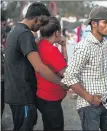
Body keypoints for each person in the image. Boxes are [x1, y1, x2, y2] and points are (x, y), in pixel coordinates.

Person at [4, 2, 66, 131]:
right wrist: (61, 82)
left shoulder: (17, 30)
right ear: (37, 19)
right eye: (42, 23)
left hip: (15, 92)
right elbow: (40, 67)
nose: (41, 28)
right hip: (22, 96)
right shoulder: (25, 35)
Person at [62, 6, 107, 130]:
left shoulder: (103, 44)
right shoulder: (84, 46)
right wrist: (90, 98)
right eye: (105, 22)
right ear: (94, 23)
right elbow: (69, 76)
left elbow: (101, 72)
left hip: (106, 102)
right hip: (89, 106)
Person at [36, 17, 68, 131]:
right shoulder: (51, 50)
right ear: (57, 33)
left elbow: (61, 65)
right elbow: (66, 73)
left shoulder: (40, 44)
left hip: (42, 95)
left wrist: (63, 47)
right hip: (51, 98)